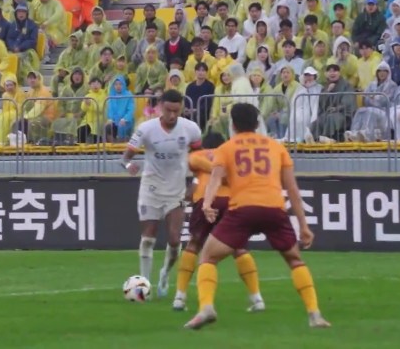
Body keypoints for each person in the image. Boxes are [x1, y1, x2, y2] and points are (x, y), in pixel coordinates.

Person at [184, 103, 331, 330]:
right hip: (274, 209)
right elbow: (292, 189)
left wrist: (207, 203)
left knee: (208, 257)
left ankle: (206, 307)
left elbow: (215, 178)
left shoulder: (227, 147)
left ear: (232, 125)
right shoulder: (276, 147)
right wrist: (304, 225)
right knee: (294, 260)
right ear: (257, 123)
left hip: (242, 209)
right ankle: (315, 314)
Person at [121, 90, 203, 298]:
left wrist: (195, 182)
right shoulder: (146, 129)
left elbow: (199, 159)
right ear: (160, 107)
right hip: (151, 186)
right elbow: (126, 156)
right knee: (148, 236)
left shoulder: (191, 129)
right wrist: (129, 165)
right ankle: (144, 286)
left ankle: (165, 274)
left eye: (176, 111)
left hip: (176, 189)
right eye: (168, 110)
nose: (172, 115)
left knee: (175, 239)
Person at [173, 135, 266, 312]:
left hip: (205, 198)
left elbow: (189, 162)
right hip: (231, 200)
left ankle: (180, 297)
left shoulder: (197, 156)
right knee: (238, 247)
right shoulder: (231, 155)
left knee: (194, 243)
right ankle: (257, 299)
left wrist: (212, 169)